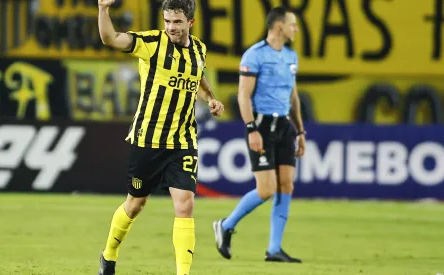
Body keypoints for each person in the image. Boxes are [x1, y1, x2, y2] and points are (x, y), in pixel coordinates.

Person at [97, 0, 225, 274]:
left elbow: (197, 78)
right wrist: (103, 9)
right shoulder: (152, 43)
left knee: (185, 204)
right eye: (167, 21)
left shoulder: (199, 49)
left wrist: (211, 99)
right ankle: (109, 255)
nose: (170, 28)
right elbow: (110, 38)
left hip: (183, 141)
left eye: (177, 22)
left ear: (190, 23)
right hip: (148, 140)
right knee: (134, 205)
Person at [212, 6, 305, 263]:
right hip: (262, 126)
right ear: (278, 26)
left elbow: (293, 95)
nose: (296, 29)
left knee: (286, 184)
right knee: (266, 190)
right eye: (292, 24)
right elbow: (243, 95)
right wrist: (251, 128)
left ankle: (274, 249)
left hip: (284, 126)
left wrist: (300, 130)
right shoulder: (255, 55)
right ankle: (226, 225)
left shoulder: (290, 56)